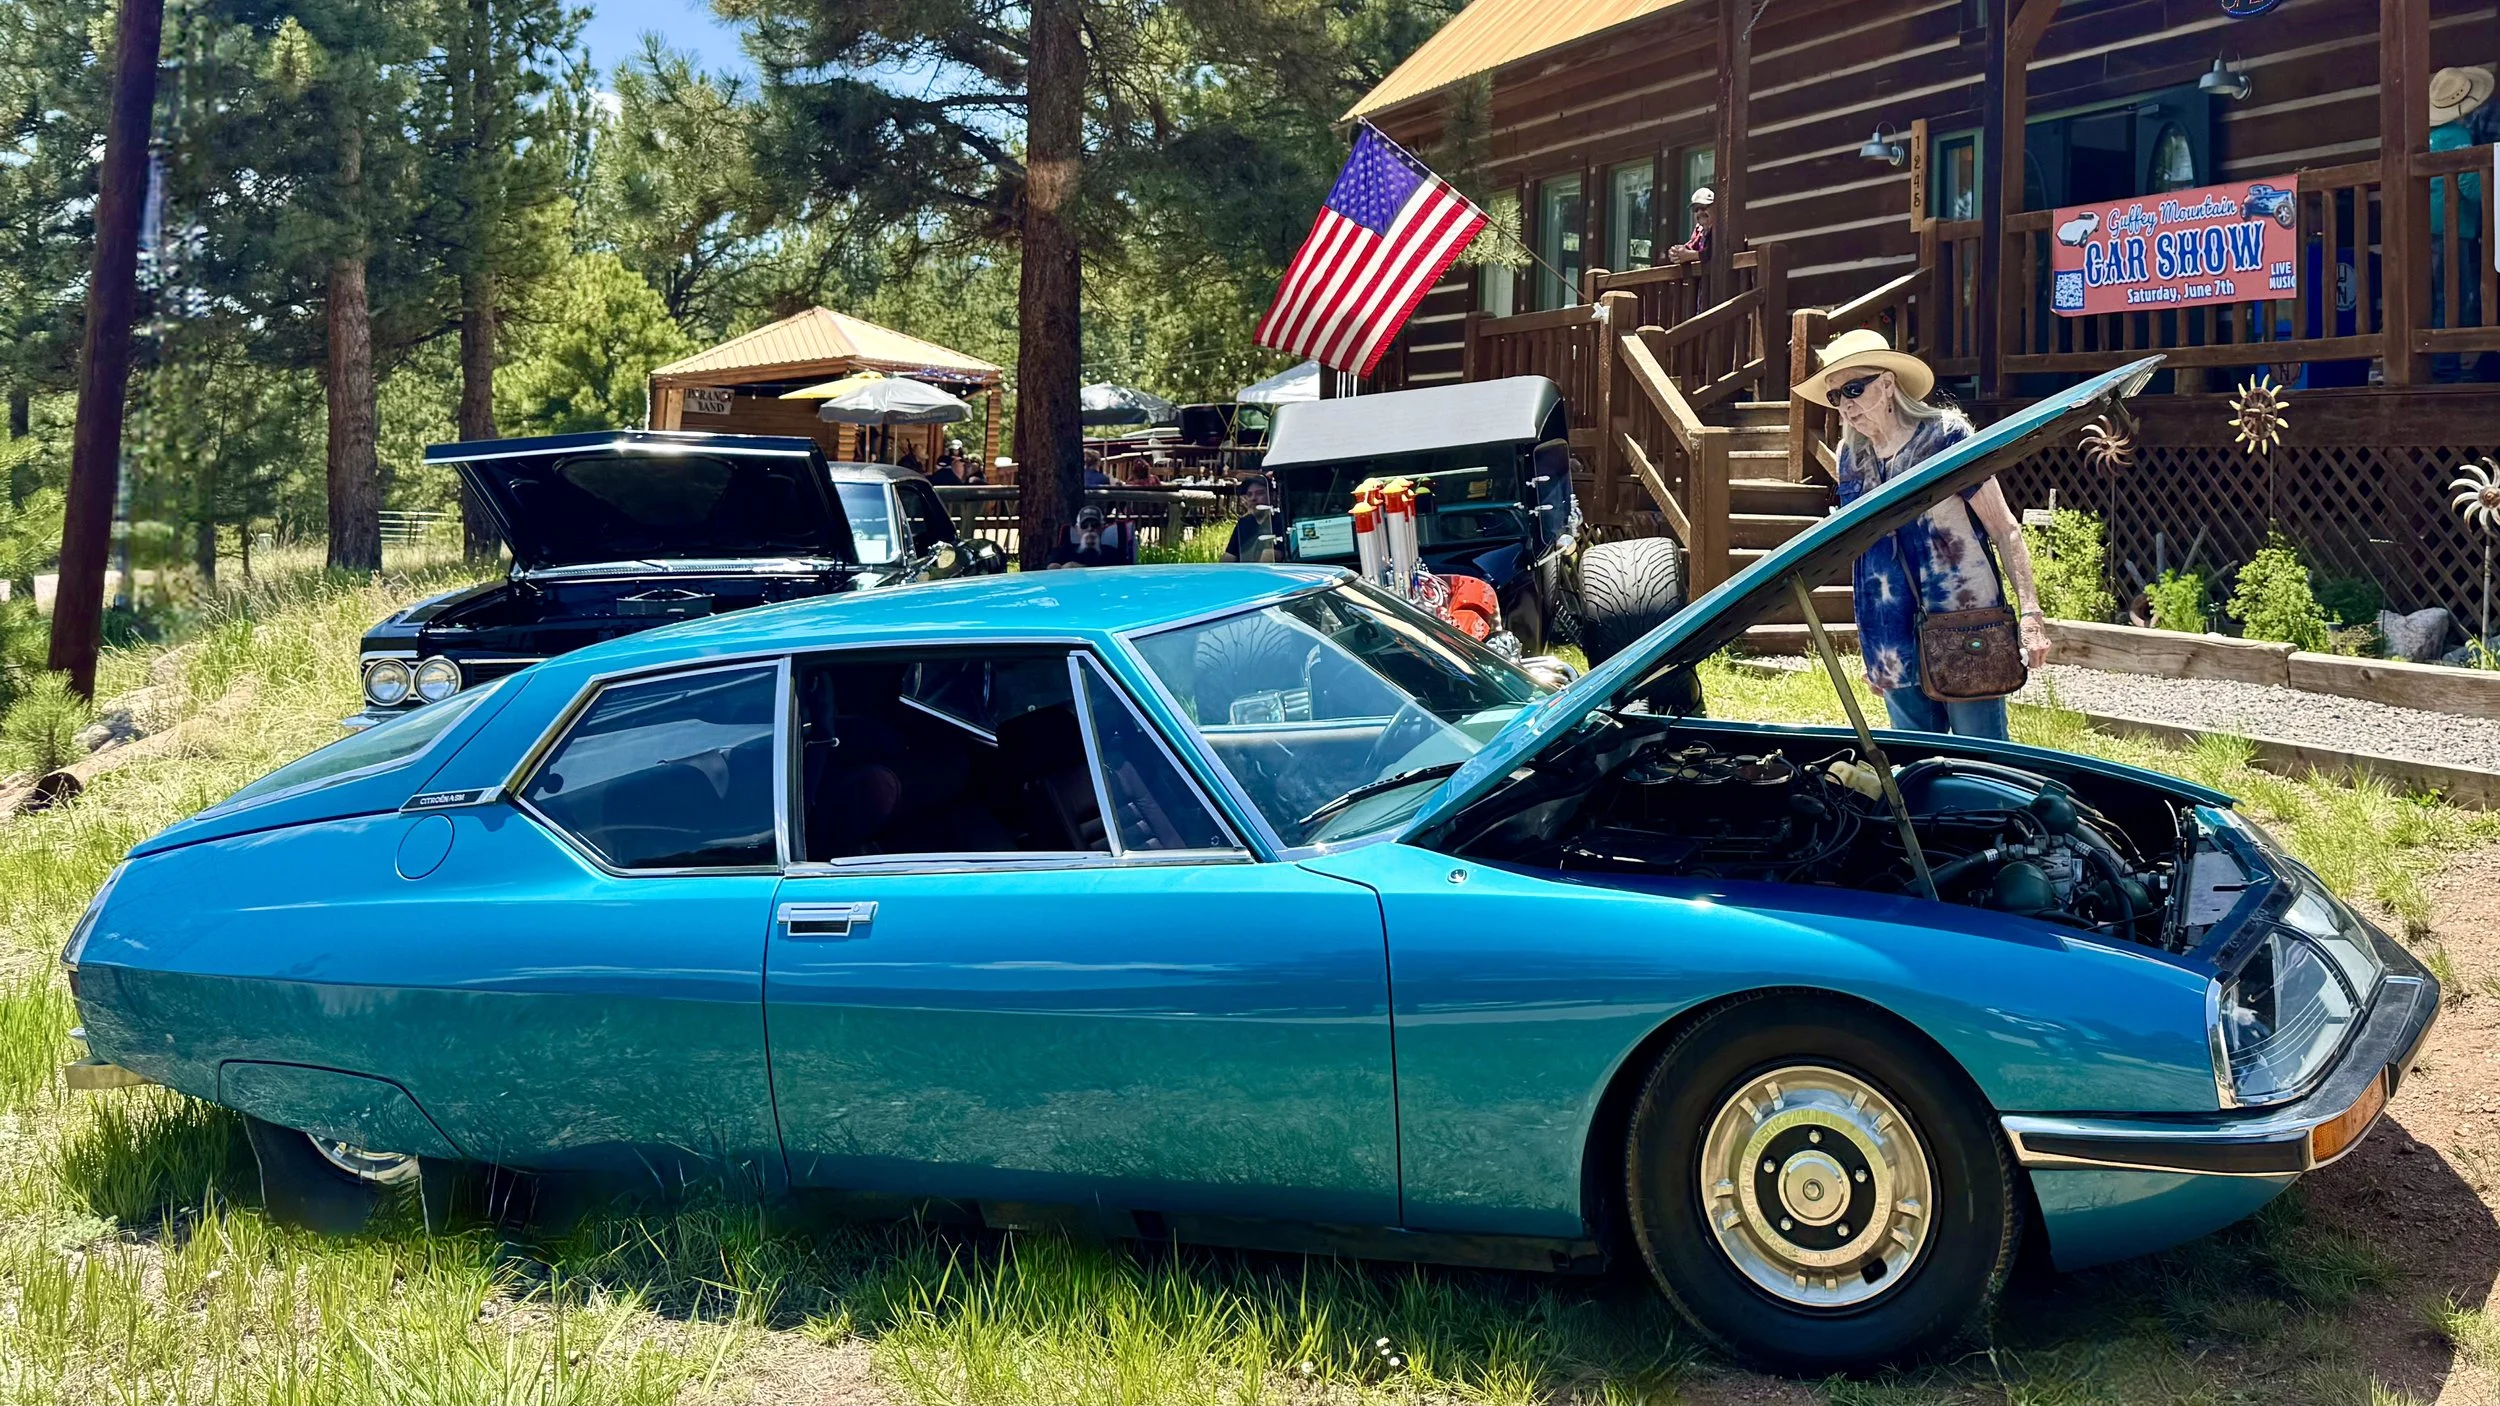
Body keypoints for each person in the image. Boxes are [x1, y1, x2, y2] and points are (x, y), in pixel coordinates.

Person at [1793, 329, 2051, 740]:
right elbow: (1864, 557)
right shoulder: (1851, 458)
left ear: (1888, 384)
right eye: (1835, 396)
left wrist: (2031, 615)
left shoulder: (1944, 437)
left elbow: (2004, 528)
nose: (1845, 405)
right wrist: (1872, 642)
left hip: (1965, 622)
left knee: (1981, 761)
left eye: (1854, 388)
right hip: (1891, 634)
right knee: (1919, 766)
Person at [2430, 66, 2498, 382]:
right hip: (2454, 228)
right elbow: (2469, 185)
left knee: (2435, 294)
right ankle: (2447, 365)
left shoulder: (2431, 137)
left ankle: (2435, 362)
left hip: (2428, 230)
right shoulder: (2459, 137)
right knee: (2455, 293)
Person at [1221, 477, 1278, 562]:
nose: (1253, 498)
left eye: (1259, 493)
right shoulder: (1243, 523)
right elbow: (1228, 558)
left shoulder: (1279, 521)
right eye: (1249, 494)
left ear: (1272, 495)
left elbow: (1270, 558)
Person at [1049, 506, 1114, 568]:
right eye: (1084, 525)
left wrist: (1081, 569)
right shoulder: (1062, 552)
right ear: (1077, 529)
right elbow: (1050, 571)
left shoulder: (1113, 554)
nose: (1090, 529)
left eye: (1095, 525)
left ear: (1102, 529)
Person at [1665, 186, 1714, 265]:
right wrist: (1676, 252)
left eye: (1703, 207)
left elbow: (1714, 253)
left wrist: (1689, 255)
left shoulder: (1720, 228)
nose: (1699, 212)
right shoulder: (1699, 230)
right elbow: (1690, 246)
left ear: (1715, 207)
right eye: (1695, 209)